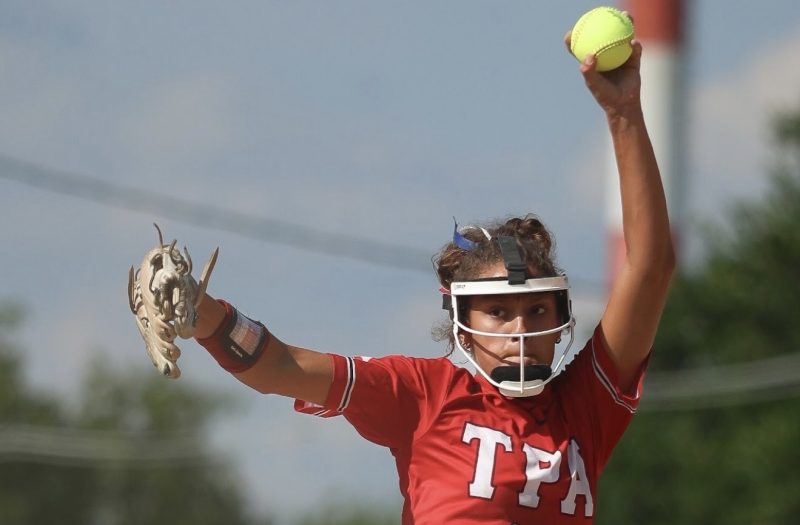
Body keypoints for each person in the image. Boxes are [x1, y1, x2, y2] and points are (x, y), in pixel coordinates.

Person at [164, 33, 674, 524]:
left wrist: (624, 112)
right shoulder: (423, 394)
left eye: (536, 309)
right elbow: (282, 365)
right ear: (460, 319)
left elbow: (651, 269)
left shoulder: (584, 408)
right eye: (498, 311)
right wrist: (201, 312)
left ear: (561, 317)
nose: (520, 328)